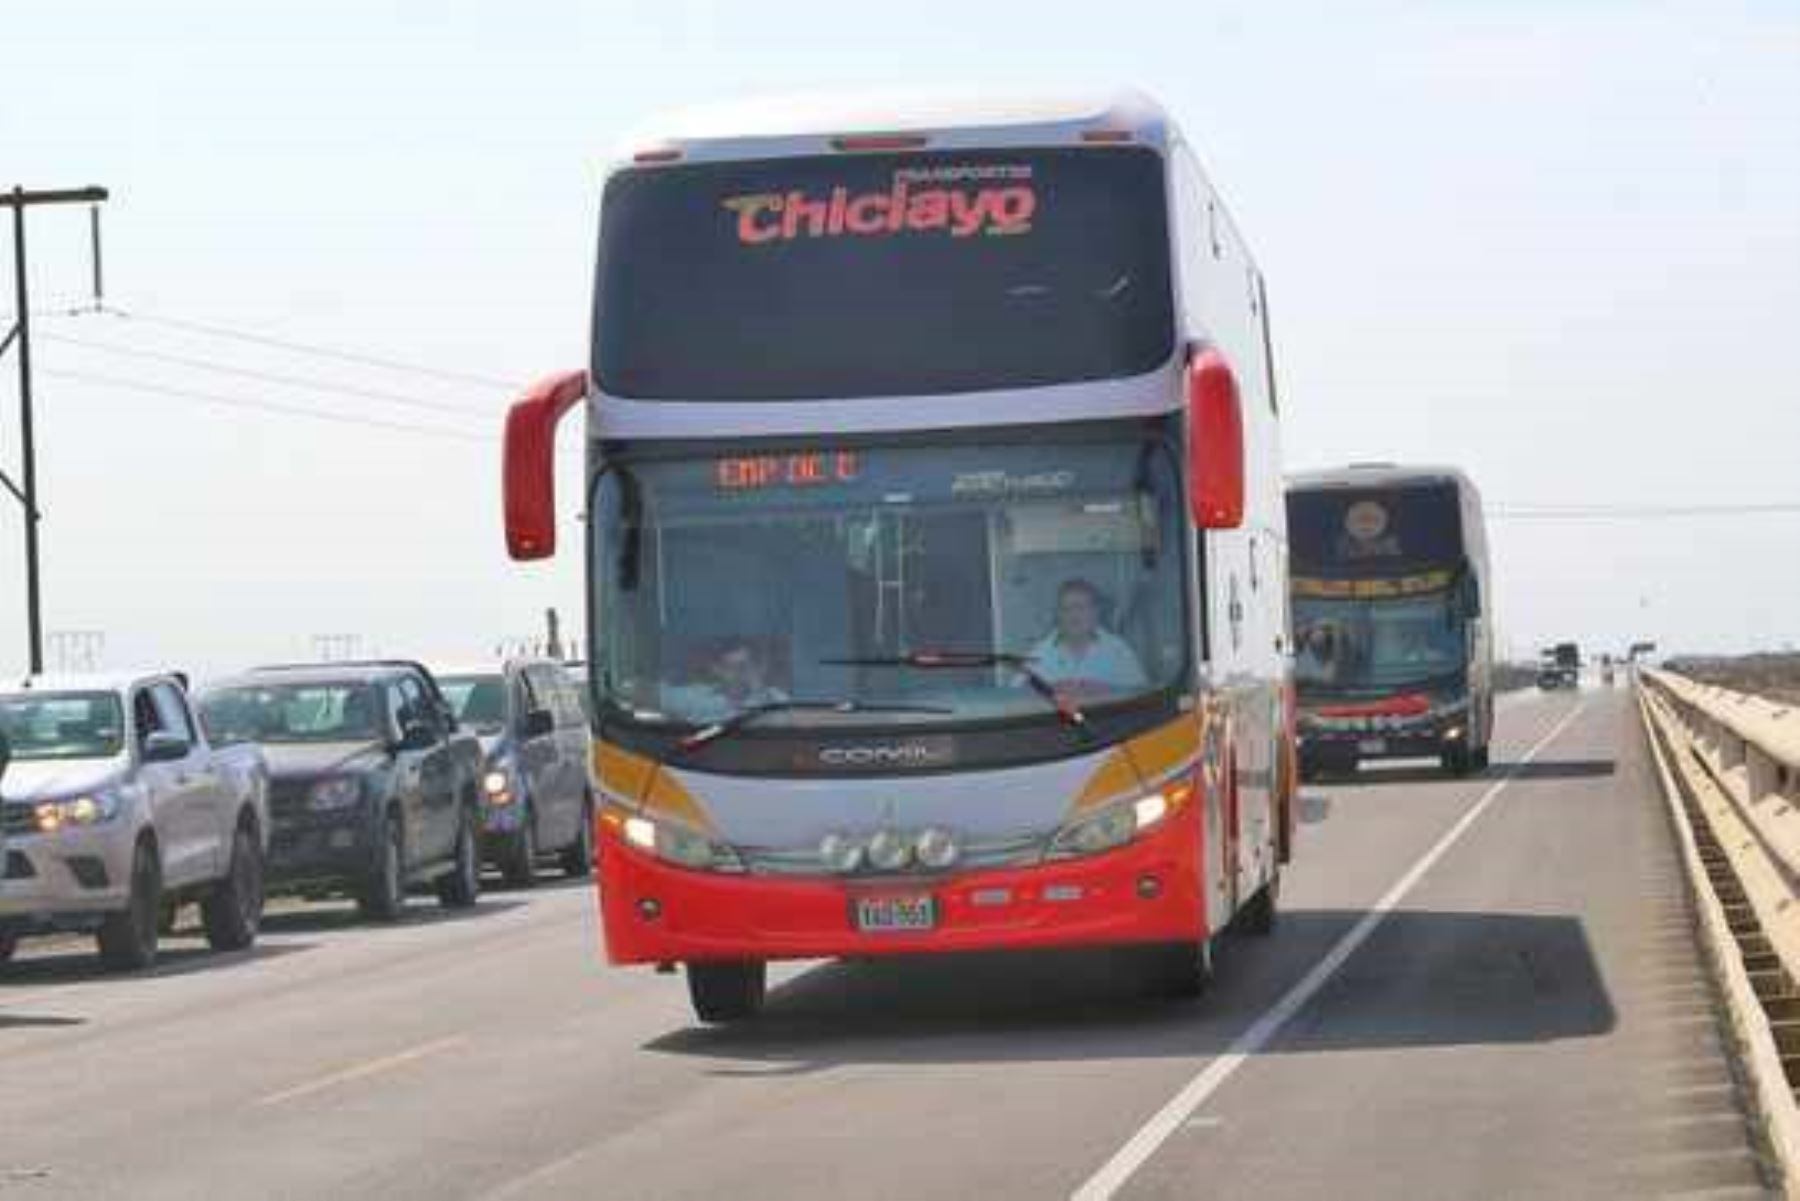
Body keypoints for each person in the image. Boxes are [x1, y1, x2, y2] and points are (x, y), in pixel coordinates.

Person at [1027, 579, 1148, 695]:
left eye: (1081, 607)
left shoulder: (1118, 650)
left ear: (1095, 611)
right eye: (1067, 609)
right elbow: (1020, 697)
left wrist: (1107, 690)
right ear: (1058, 614)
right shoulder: (1039, 654)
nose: (1074, 615)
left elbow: (1140, 693)